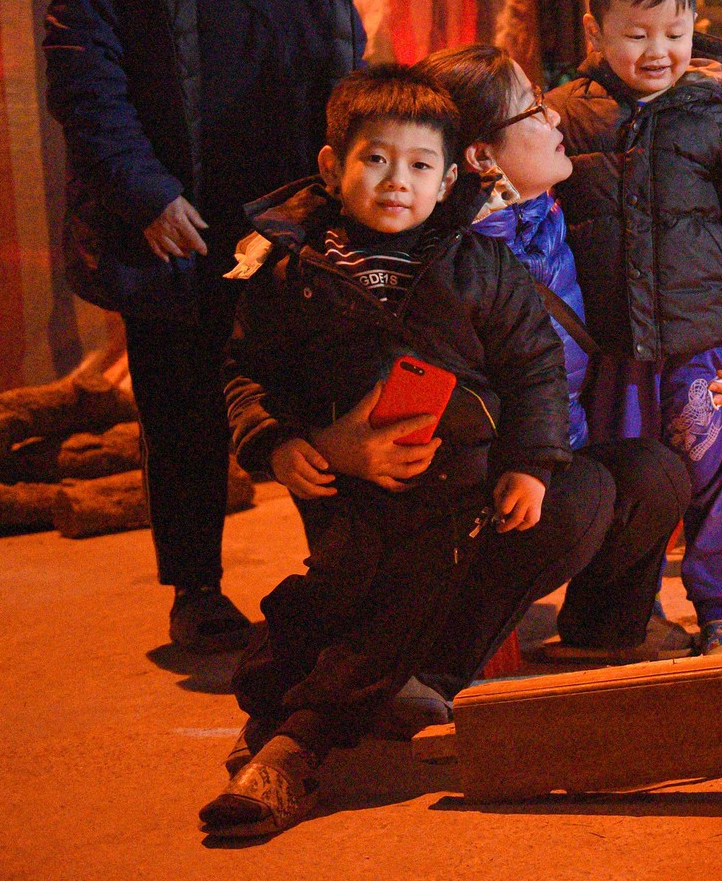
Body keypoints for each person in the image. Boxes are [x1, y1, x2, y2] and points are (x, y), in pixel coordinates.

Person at [43, 0, 362, 652]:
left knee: (313, 389)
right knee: (182, 401)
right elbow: (83, 75)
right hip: (179, 214)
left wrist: (365, 169)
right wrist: (144, 193)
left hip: (298, 213)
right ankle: (196, 590)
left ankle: (336, 573)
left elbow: (349, 57)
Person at [205, 67, 564, 837]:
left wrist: (531, 465)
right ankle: (272, 693)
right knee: (335, 587)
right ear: (334, 168)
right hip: (346, 486)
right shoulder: (289, 270)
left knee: (405, 602)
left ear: (448, 178)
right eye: (375, 160)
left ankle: (294, 746)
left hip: (456, 488)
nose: (397, 181)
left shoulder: (480, 265)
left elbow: (535, 367)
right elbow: (246, 370)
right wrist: (277, 442)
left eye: (420, 165)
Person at [545, 0, 722, 656]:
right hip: (610, 348)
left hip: (701, 345)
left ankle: (721, 606)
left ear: (695, 24)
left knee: (709, 478)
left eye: (675, 32)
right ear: (595, 32)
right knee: (624, 479)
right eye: (636, 34)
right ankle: (629, 610)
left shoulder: (720, 119)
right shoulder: (565, 117)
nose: (658, 51)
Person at [415, 42, 701, 662]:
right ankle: (448, 653)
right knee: (588, 492)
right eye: (533, 111)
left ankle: (602, 637)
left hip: (548, 453)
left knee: (657, 472)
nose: (554, 121)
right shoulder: (458, 258)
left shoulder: (540, 211)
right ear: (481, 156)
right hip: (476, 489)